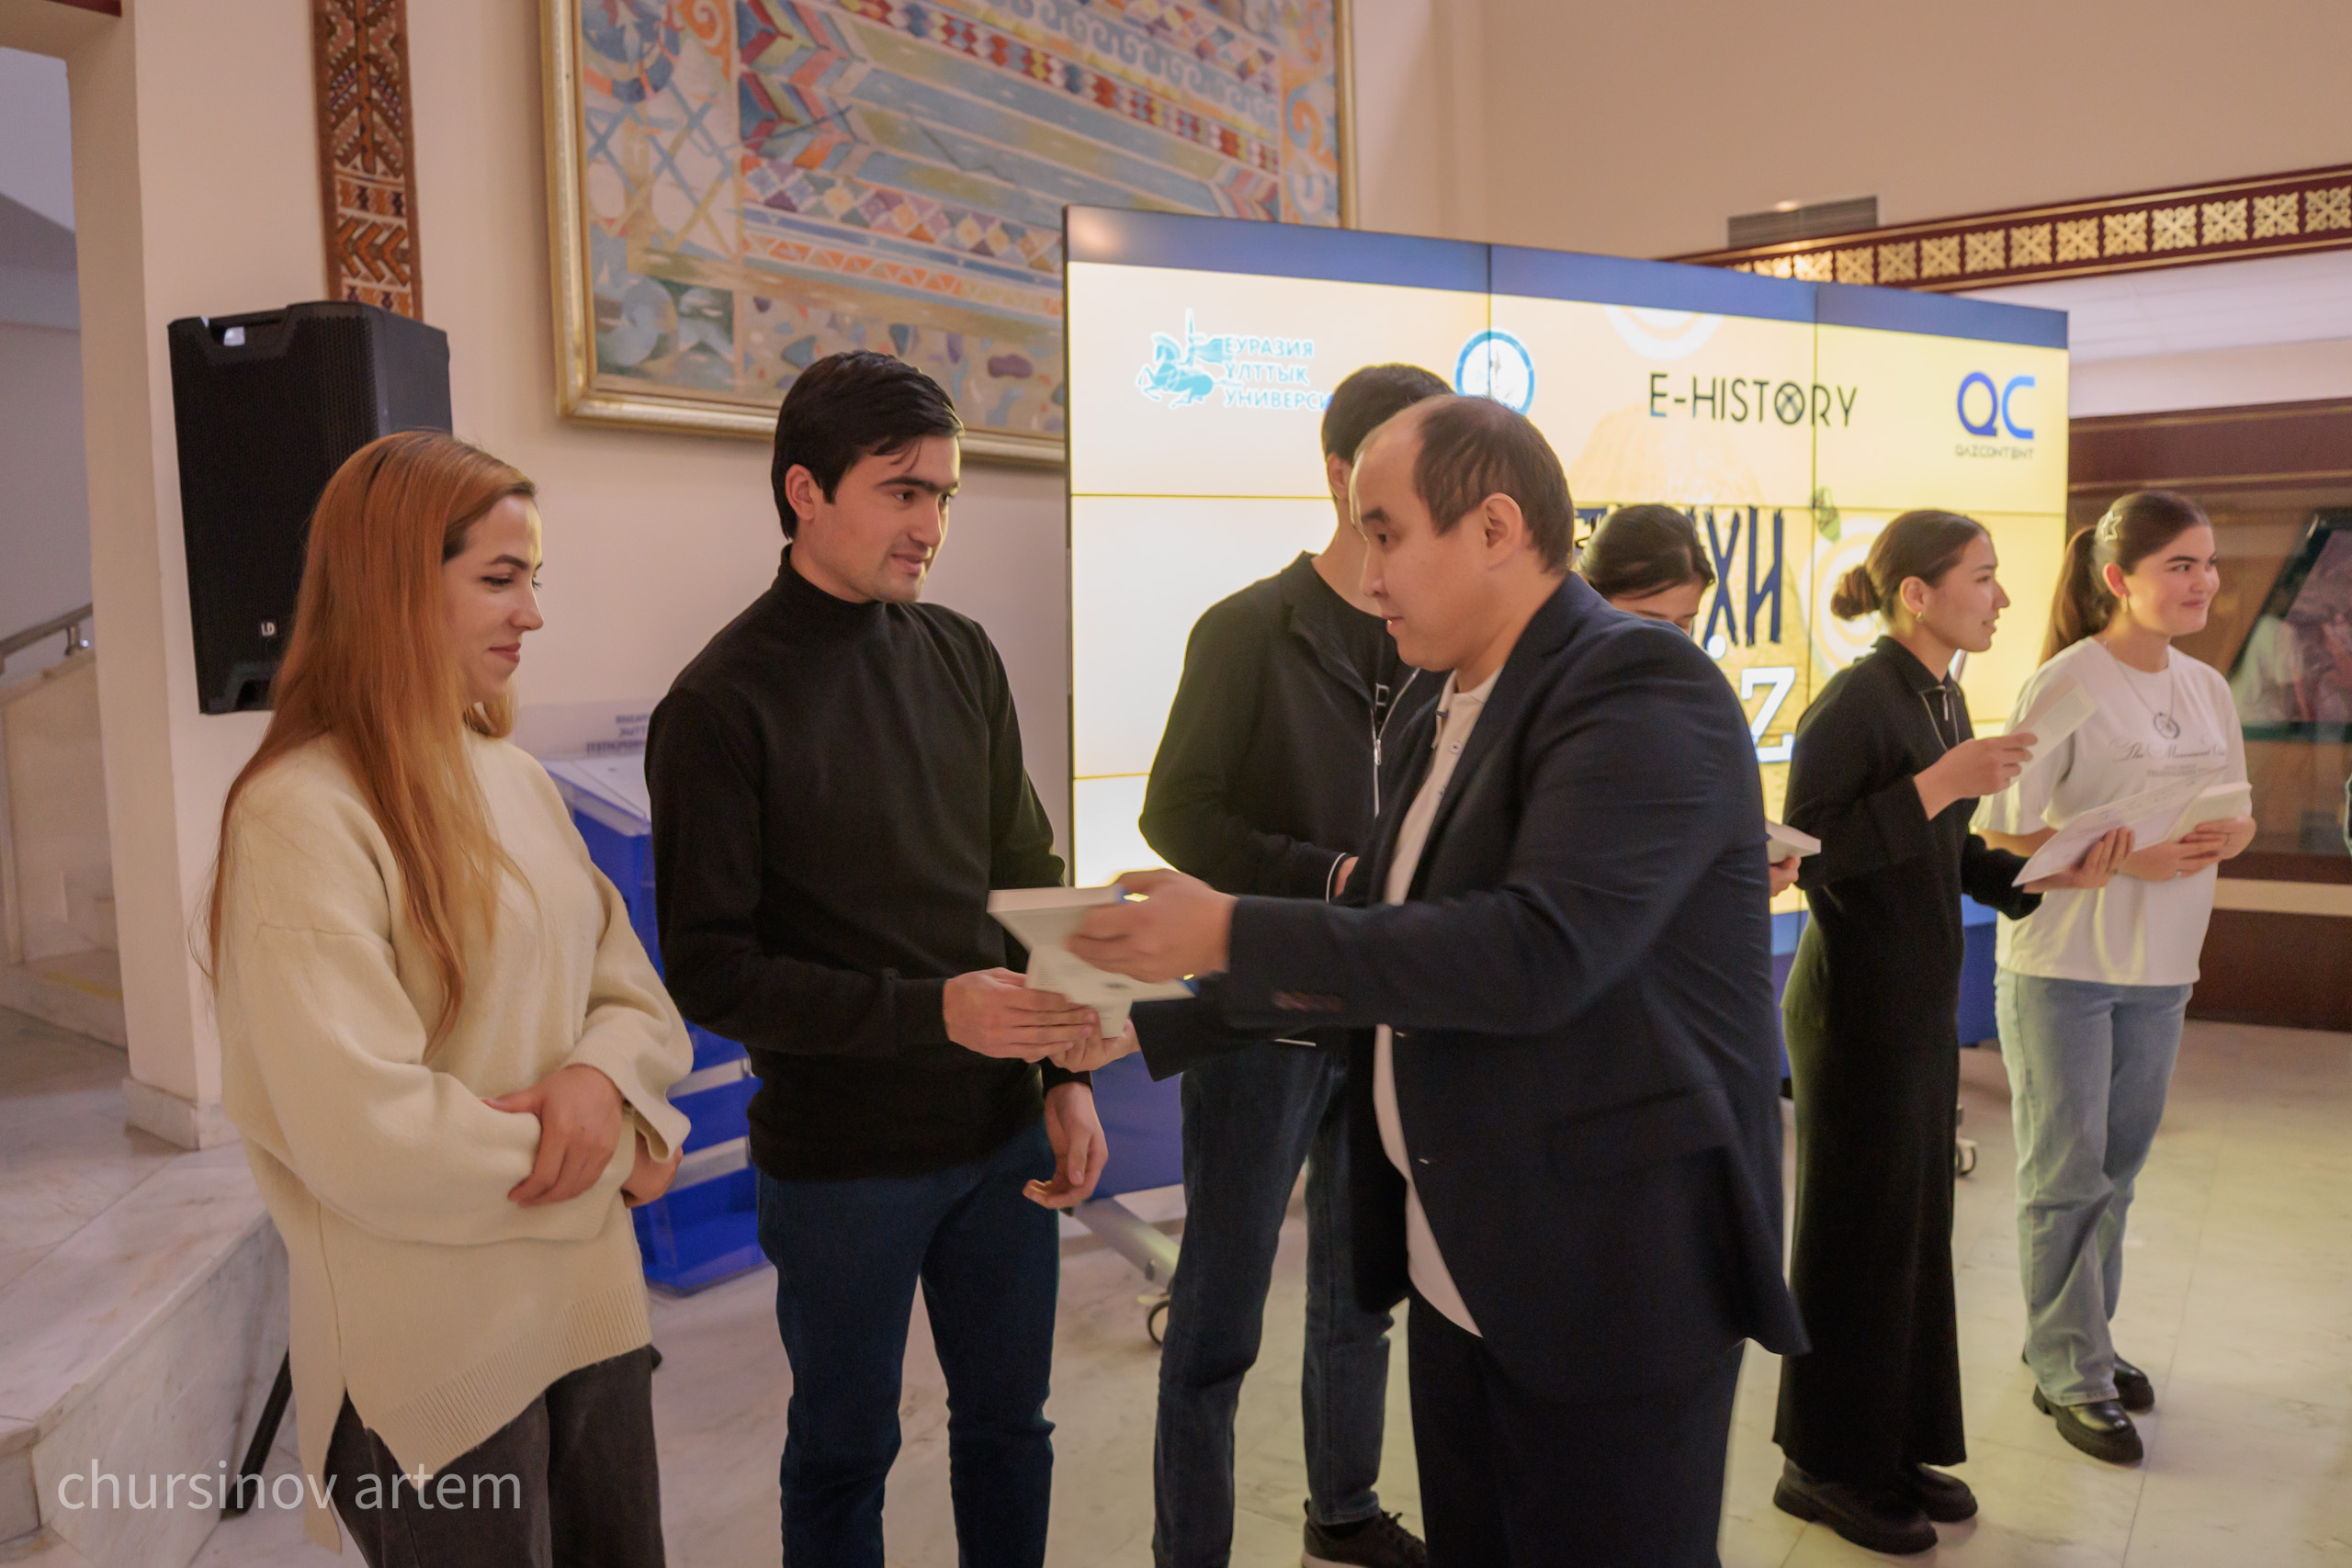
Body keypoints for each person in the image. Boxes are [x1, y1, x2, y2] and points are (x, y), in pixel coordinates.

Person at [1066, 394, 1809, 1568]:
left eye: (1387, 534)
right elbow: (1391, 938)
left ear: (1496, 528)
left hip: (1608, 1270)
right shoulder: (1440, 700)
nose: (1367, 577)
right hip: (1464, 1260)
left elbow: (1531, 954)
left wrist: (1229, 929)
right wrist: (1148, 1017)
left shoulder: (1639, 683)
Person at [644, 351, 1116, 1568]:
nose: (930, 526)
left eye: (943, 495)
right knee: (844, 1453)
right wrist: (933, 1013)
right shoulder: (719, 702)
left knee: (1010, 1427)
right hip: (843, 1162)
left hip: (1002, 1136)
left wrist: (1067, 1071)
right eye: (902, 491)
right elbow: (712, 970)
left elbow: (1026, 870)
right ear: (804, 491)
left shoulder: (961, 654)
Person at [207, 431, 694, 1565]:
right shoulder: (300, 812)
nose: (532, 614)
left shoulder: (514, 777)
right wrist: (611, 1153)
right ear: (391, 585)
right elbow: (364, 1133)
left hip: (589, 1312)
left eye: (535, 579)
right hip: (437, 1357)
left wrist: (601, 1080)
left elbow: (631, 993)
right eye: (499, 579)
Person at [1136, 363, 1447, 1568]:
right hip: (1259, 1018)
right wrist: (1325, 876)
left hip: (1385, 1013)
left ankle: (1343, 1510)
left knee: (1360, 1295)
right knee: (1216, 1316)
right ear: (1337, 474)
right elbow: (1177, 812)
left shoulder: (1439, 639)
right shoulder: (1246, 630)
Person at [1771, 511, 2129, 1555]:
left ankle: (1889, 1445)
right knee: (1851, 1243)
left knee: (1912, 1241)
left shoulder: (1942, 695)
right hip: (1854, 1015)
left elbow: (1942, 847)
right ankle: (1821, 1465)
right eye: (1982, 577)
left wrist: (2041, 872)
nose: (2002, 597)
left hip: (1916, 1006)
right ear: (1916, 594)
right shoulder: (1856, 701)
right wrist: (1940, 783)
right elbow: (1811, 854)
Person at [1976, 491, 2253, 1462]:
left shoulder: (2206, 687)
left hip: (2163, 964)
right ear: (2116, 579)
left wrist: (2231, 834)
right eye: (2179, 565)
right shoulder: (2066, 682)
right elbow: (2004, 828)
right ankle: (2070, 1370)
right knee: (2065, 1174)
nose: (2202, 582)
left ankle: (2079, 1336)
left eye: (2206, 563)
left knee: (2117, 1171)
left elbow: (2236, 809)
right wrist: (2128, 855)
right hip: (2063, 964)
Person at [1581, 503, 1800, 897]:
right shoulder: (1566, 702)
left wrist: (1741, 864)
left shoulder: (1691, 698)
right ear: (1585, 592)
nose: (1669, 644)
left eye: (1683, 624)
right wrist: (1727, 882)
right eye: (1646, 621)